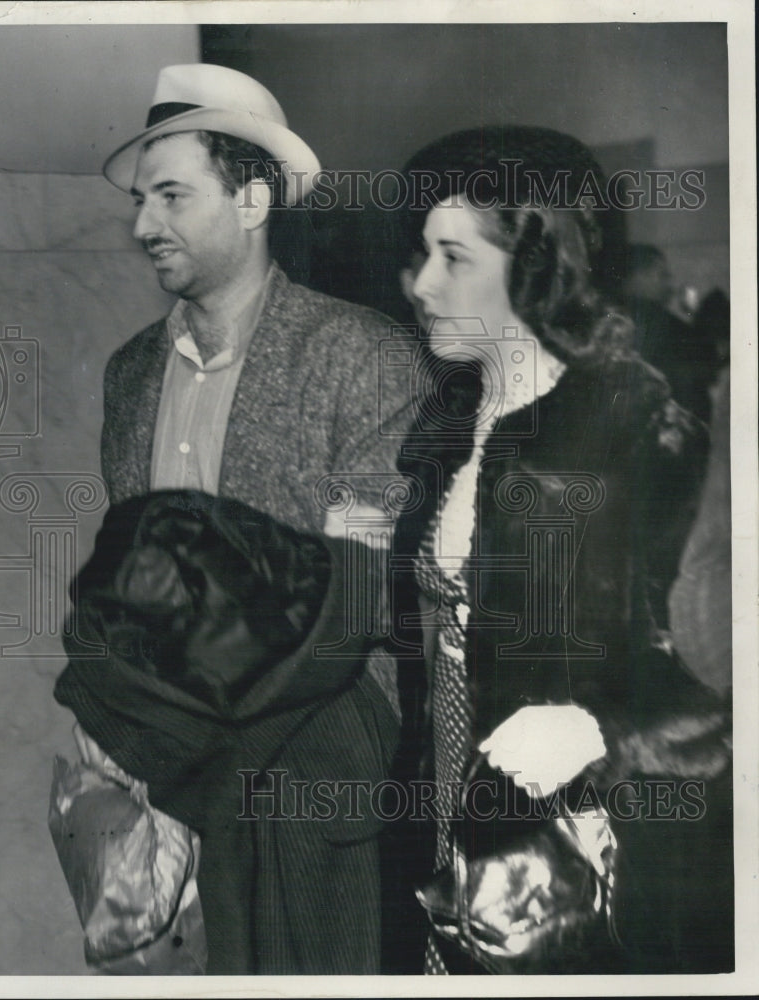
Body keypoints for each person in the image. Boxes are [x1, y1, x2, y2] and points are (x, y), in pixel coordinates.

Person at [53, 63, 413, 975]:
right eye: (141, 200)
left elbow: (356, 602)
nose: (143, 225)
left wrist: (176, 742)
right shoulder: (132, 373)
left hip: (304, 776)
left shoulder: (357, 354)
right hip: (156, 789)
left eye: (172, 195)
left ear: (252, 200)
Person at [390, 126, 733, 975]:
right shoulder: (444, 421)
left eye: (454, 257)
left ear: (536, 265)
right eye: (422, 252)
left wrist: (593, 727)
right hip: (444, 806)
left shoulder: (637, 422)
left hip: (576, 854)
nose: (423, 283)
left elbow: (716, 683)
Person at [618, 243, 719, 422]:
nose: (669, 284)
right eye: (663, 275)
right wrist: (692, 313)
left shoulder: (610, 316)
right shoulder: (659, 320)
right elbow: (708, 359)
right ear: (640, 276)